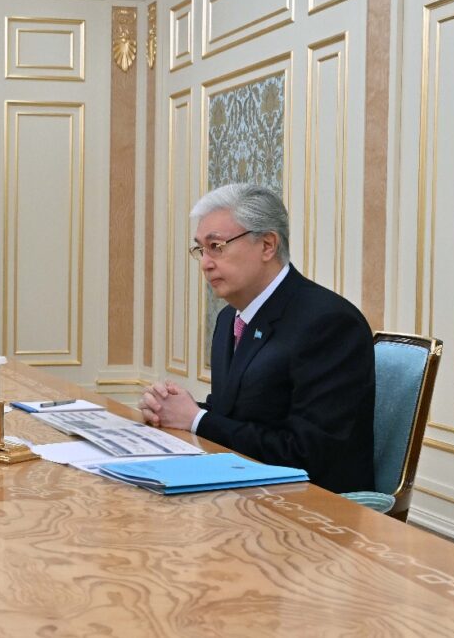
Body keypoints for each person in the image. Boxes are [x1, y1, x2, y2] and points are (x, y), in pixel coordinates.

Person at [138, 183, 375, 494]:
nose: (205, 263)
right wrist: (172, 409)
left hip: (310, 507)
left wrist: (196, 420)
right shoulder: (230, 318)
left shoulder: (329, 323)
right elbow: (237, 414)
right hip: (241, 491)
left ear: (267, 245)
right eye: (201, 250)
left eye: (217, 246)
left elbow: (307, 455)